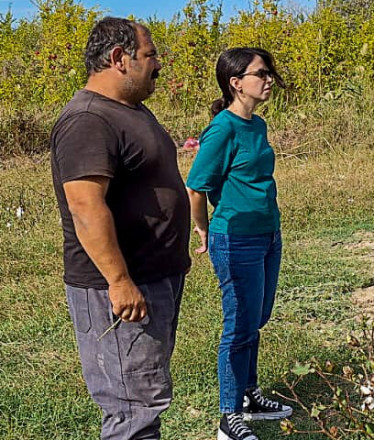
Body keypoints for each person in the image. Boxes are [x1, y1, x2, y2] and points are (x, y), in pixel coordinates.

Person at [50, 17, 191, 439]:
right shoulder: (88, 120)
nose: (158, 64)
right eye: (150, 55)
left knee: (145, 394)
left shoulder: (129, 109)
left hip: (154, 278)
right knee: (133, 409)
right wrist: (119, 280)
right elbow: (85, 206)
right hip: (123, 289)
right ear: (119, 58)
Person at [186, 48, 293, 440]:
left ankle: (248, 396)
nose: (268, 79)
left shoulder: (257, 125)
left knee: (257, 319)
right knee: (238, 326)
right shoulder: (223, 129)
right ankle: (228, 416)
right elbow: (197, 186)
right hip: (235, 239)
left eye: (268, 72)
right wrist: (202, 229)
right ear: (236, 83)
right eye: (260, 73)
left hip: (267, 234)